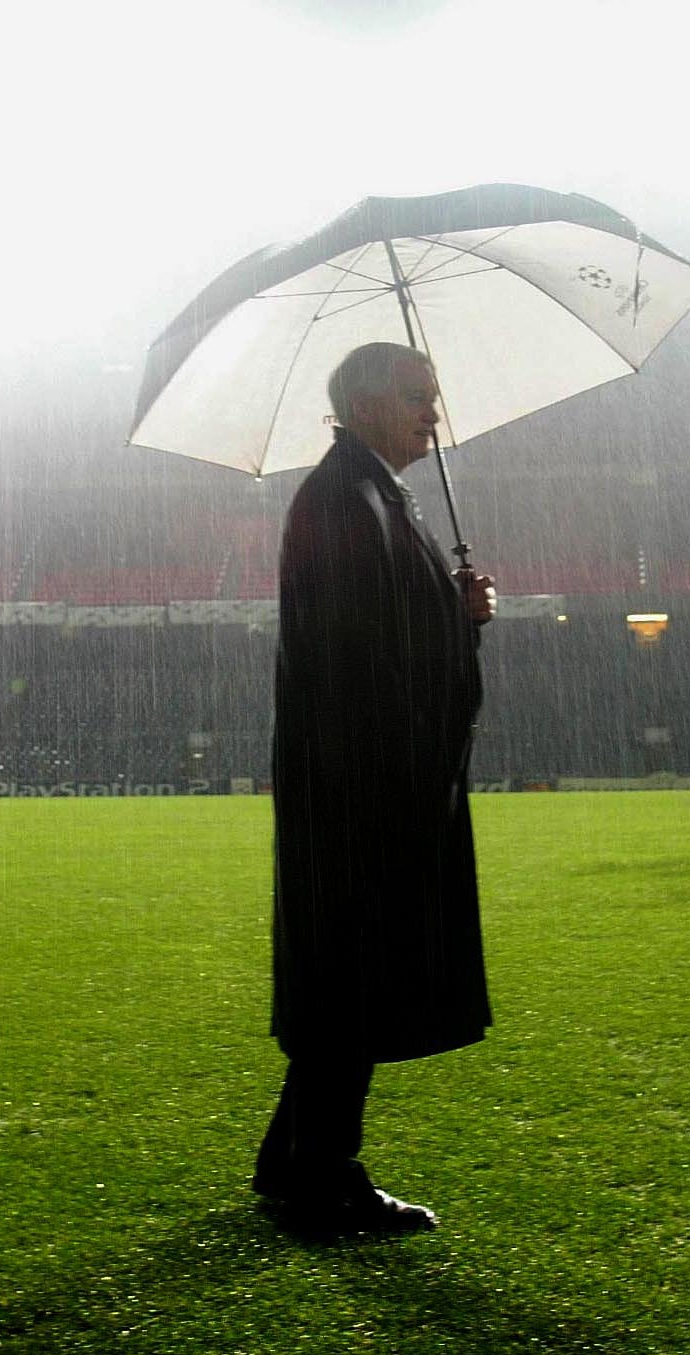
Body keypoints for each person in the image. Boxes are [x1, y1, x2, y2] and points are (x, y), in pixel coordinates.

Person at [255, 341, 497, 1236]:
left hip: (359, 777)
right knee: (353, 973)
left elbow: (393, 632)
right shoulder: (347, 501)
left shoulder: (365, 495)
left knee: (346, 974)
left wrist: (456, 609)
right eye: (416, 397)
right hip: (362, 780)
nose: (433, 413)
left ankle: (295, 1160)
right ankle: (323, 1175)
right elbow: (369, 653)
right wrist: (453, 618)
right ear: (364, 402)